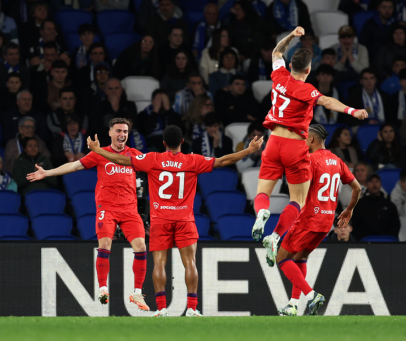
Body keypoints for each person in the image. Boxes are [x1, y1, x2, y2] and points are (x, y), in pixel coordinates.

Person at [86, 124, 264, 317]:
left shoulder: (153, 159)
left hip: (160, 220)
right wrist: (249, 150)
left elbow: (122, 160)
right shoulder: (192, 160)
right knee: (190, 263)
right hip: (184, 220)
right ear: (182, 142)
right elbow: (222, 161)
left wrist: (97, 150)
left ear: (164, 143)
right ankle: (192, 308)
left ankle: (162, 308)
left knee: (160, 264)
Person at [250, 27, 368, 250]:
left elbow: (276, 52)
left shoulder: (279, 76)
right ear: (309, 69)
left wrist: (292, 36)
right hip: (295, 146)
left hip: (273, 142)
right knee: (297, 200)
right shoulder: (307, 90)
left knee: (262, 193)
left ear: (291, 65)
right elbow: (328, 101)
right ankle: (275, 236)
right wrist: (353, 111)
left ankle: (262, 212)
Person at [27, 118, 150, 311]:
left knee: (141, 246)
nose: (122, 135)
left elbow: (155, 166)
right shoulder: (100, 154)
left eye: (125, 131)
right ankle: (102, 289)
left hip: (129, 209)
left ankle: (136, 293)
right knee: (105, 244)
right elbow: (74, 166)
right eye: (118, 131)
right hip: (107, 209)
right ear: (110, 133)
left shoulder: (134, 155)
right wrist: (47, 173)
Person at [274, 124, 360, 316]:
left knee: (281, 258)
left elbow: (299, 191)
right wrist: (348, 210)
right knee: (300, 257)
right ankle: (293, 305)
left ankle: (311, 295)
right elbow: (357, 188)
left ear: (311, 139)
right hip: (326, 221)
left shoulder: (310, 160)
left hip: (309, 219)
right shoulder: (337, 161)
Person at [351, 174, 401, 240]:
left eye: (377, 181)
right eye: (371, 181)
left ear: (380, 184)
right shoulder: (359, 204)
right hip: (364, 242)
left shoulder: (389, 205)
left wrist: (387, 239)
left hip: (386, 241)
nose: (374, 184)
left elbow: (395, 226)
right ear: (366, 184)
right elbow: (354, 225)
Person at [89, 78, 137, 142]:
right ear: (105, 91)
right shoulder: (98, 108)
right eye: (110, 89)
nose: (113, 91)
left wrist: (116, 109)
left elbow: (134, 127)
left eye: (116, 88)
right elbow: (99, 131)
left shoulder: (130, 106)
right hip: (105, 144)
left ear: (121, 90)